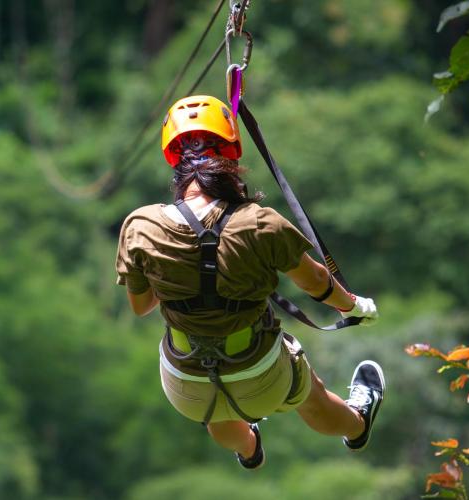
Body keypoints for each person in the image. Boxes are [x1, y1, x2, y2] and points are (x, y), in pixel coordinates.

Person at [115, 95, 385, 469]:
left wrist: (180, 272)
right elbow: (316, 281)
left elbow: (141, 306)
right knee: (311, 396)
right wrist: (352, 306)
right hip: (260, 374)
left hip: (185, 388)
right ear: (232, 159)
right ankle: (358, 424)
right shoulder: (260, 222)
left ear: (174, 161)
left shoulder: (141, 225)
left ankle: (248, 448)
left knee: (217, 411)